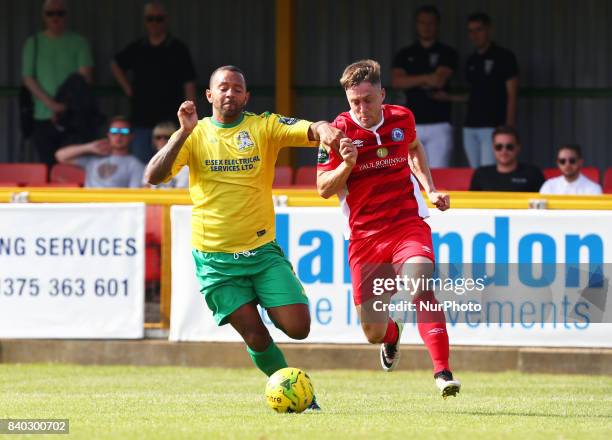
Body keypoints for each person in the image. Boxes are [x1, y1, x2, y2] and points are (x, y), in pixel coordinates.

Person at [144, 65, 343, 409]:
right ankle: (298, 396)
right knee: (255, 334)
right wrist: (181, 133)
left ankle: (269, 307)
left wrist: (323, 127)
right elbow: (153, 176)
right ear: (209, 95)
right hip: (216, 260)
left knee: (299, 328)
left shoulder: (262, 126)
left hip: (261, 253)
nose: (230, 94)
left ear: (246, 96)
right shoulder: (194, 135)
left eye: (237, 89)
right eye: (223, 88)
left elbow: (307, 129)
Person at [316, 59, 461, 398]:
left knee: (421, 283)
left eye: (368, 99)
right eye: (355, 102)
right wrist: (347, 165)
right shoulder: (337, 134)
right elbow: (323, 187)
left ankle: (442, 372)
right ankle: (393, 335)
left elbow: (413, 148)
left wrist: (430, 188)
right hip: (365, 238)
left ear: (382, 94)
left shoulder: (402, 118)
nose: (362, 108)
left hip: (406, 225)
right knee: (372, 331)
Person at [111, 1, 197, 164]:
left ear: (166, 20)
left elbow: (189, 83)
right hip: (142, 120)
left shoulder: (178, 48)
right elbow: (115, 64)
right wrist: (128, 88)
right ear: (145, 21)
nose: (154, 23)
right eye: (150, 19)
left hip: (171, 120)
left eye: (159, 18)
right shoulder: (138, 47)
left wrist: (190, 116)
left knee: (172, 166)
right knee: (142, 167)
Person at [22, 0, 94, 169]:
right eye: (50, 13)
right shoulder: (34, 42)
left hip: (72, 118)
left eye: (59, 13)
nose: (55, 17)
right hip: (42, 116)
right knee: (46, 166)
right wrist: (52, 105)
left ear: (66, 16)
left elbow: (85, 77)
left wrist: (64, 106)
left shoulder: (79, 42)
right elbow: (28, 78)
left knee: (74, 168)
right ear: (43, 16)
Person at [391, 5, 458, 168]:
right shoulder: (405, 53)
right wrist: (427, 77)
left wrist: (412, 79)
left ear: (437, 24)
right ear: (416, 25)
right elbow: (397, 82)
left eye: (431, 23)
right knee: (411, 172)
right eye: (422, 22)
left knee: (438, 173)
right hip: (412, 123)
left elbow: (438, 81)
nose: (426, 27)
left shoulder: (447, 52)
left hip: (440, 123)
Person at [463, 12, 518, 168]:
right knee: (475, 171)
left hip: (493, 125)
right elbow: (474, 93)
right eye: (471, 31)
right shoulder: (471, 60)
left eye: (479, 29)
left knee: (489, 168)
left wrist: (509, 126)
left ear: (489, 30)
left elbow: (512, 94)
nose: (474, 35)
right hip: (470, 125)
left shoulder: (504, 56)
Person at [55, 116, 145, 188]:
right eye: (114, 131)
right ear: (108, 135)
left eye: (124, 131)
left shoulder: (136, 165)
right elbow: (60, 156)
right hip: (87, 207)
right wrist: (88, 147)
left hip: (113, 209)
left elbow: (133, 197)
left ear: (131, 136)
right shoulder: (94, 158)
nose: (119, 135)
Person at [469, 125, 544, 192]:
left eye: (509, 147)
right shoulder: (481, 174)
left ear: (518, 147)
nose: (504, 151)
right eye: (499, 147)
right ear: (493, 148)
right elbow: (470, 204)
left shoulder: (533, 173)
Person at [149, 121, 189, 188]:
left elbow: (180, 193)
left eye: (166, 137)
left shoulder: (185, 166)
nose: (162, 140)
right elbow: (146, 189)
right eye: (158, 137)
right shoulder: (150, 164)